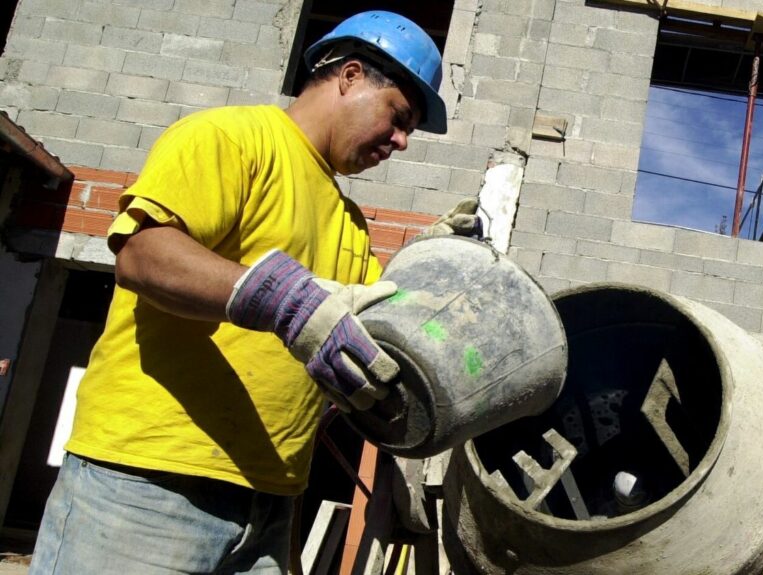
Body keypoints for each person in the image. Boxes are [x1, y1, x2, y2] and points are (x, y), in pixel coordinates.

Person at [29, 11, 478, 575]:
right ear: (351, 76)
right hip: (149, 488)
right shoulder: (233, 138)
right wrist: (281, 299)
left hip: (269, 502)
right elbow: (142, 255)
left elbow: (368, 322)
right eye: (399, 117)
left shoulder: (349, 219)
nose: (402, 141)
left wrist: (428, 263)